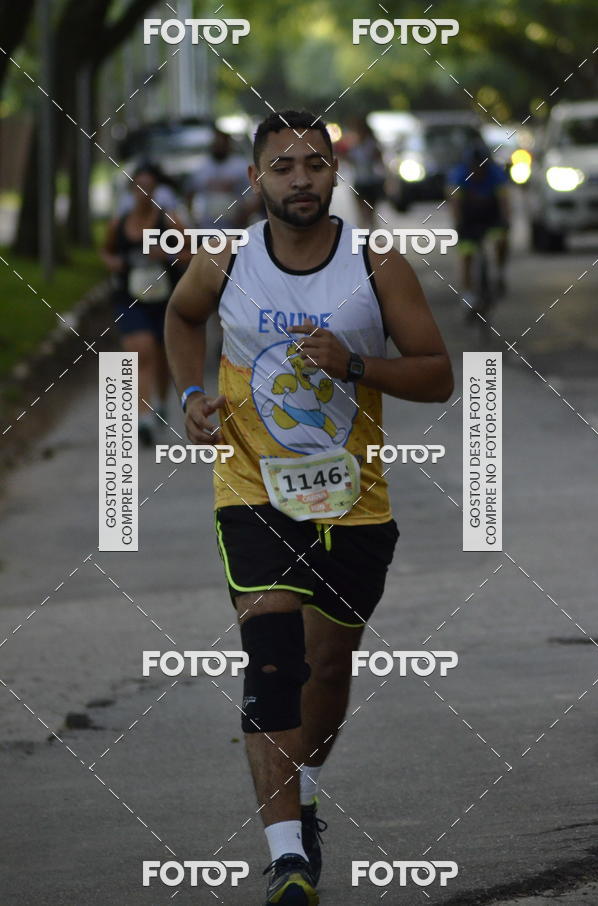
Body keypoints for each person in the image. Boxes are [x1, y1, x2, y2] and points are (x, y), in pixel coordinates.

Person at [165, 109, 453, 906]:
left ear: (334, 173)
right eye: (283, 166)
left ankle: (307, 794)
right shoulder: (225, 258)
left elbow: (438, 374)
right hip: (252, 489)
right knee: (273, 659)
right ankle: (287, 858)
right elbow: (182, 316)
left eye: (315, 165)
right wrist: (190, 394)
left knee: (327, 669)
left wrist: (357, 365)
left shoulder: (375, 262)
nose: (300, 179)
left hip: (353, 502)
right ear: (255, 178)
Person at [101, 164, 190, 446]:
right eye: (139, 187)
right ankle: (144, 417)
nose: (144, 193)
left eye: (149, 188)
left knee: (162, 358)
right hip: (131, 299)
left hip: (164, 300)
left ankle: (160, 403)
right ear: (131, 190)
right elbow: (106, 251)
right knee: (141, 353)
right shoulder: (119, 224)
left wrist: (167, 253)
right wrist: (114, 263)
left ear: (156, 191)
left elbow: (191, 252)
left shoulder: (169, 221)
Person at [446, 144, 510, 317]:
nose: (478, 170)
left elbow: (504, 201)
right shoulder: (459, 175)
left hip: (491, 215)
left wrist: (505, 221)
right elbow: (455, 203)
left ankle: (499, 272)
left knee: (501, 240)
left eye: (482, 166)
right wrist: (458, 223)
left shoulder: (496, 173)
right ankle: (468, 295)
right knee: (466, 254)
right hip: (469, 218)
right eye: (474, 166)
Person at [187, 128, 254, 228]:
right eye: (217, 143)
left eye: (222, 143)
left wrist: (246, 213)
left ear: (228, 144)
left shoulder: (241, 165)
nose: (219, 146)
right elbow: (190, 193)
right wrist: (192, 219)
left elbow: (254, 194)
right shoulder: (201, 167)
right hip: (208, 225)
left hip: (236, 224)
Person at [346, 115, 386, 229]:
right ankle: (363, 234)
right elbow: (351, 161)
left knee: (370, 213)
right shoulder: (355, 145)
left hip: (371, 182)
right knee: (361, 214)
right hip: (360, 181)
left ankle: (371, 233)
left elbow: (379, 162)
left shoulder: (371, 145)